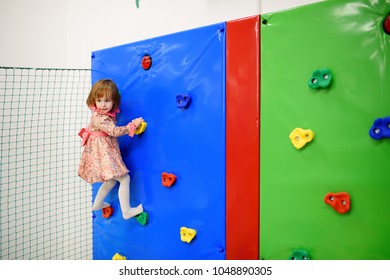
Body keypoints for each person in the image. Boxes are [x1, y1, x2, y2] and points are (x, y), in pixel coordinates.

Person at [78, 79, 144, 220]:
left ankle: (97, 203)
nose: (103, 104)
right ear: (93, 100)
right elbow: (114, 131)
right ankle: (127, 211)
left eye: (107, 100)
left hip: (104, 152)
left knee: (112, 180)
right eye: (99, 100)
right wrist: (132, 126)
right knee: (124, 179)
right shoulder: (100, 118)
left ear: (114, 101)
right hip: (104, 154)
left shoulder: (104, 114)